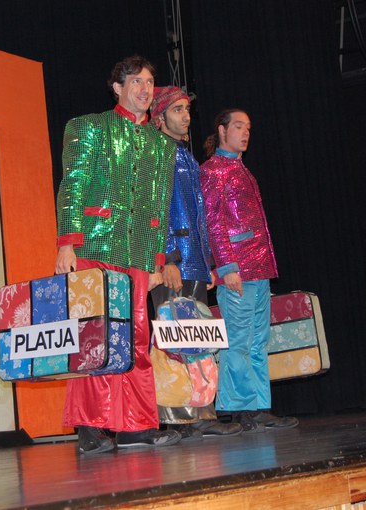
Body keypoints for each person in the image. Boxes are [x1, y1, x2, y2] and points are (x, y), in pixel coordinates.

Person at [55, 55, 181, 454]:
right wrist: (66, 243)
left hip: (138, 253)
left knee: (136, 337)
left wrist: (158, 259)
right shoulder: (88, 126)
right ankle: (90, 426)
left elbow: (160, 204)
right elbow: (73, 185)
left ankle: (135, 424)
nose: (145, 88)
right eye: (136, 81)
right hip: (95, 244)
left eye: (149, 82)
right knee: (96, 336)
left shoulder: (163, 145)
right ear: (117, 87)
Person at [148, 87, 243, 440]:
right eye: (177, 109)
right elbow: (154, 211)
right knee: (175, 340)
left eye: (187, 109)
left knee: (198, 340)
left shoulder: (184, 156)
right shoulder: (157, 155)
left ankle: (201, 412)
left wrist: (208, 264)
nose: (186, 116)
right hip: (175, 262)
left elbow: (201, 217)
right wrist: (167, 258)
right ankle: (176, 417)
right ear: (159, 118)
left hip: (195, 263)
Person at [200, 109, 299, 433]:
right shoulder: (213, 170)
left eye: (248, 128)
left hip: (258, 267)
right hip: (237, 270)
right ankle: (240, 407)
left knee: (258, 340)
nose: (245, 133)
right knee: (239, 340)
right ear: (222, 130)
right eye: (239, 126)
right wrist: (227, 267)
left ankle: (258, 406)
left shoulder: (241, 169)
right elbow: (214, 223)